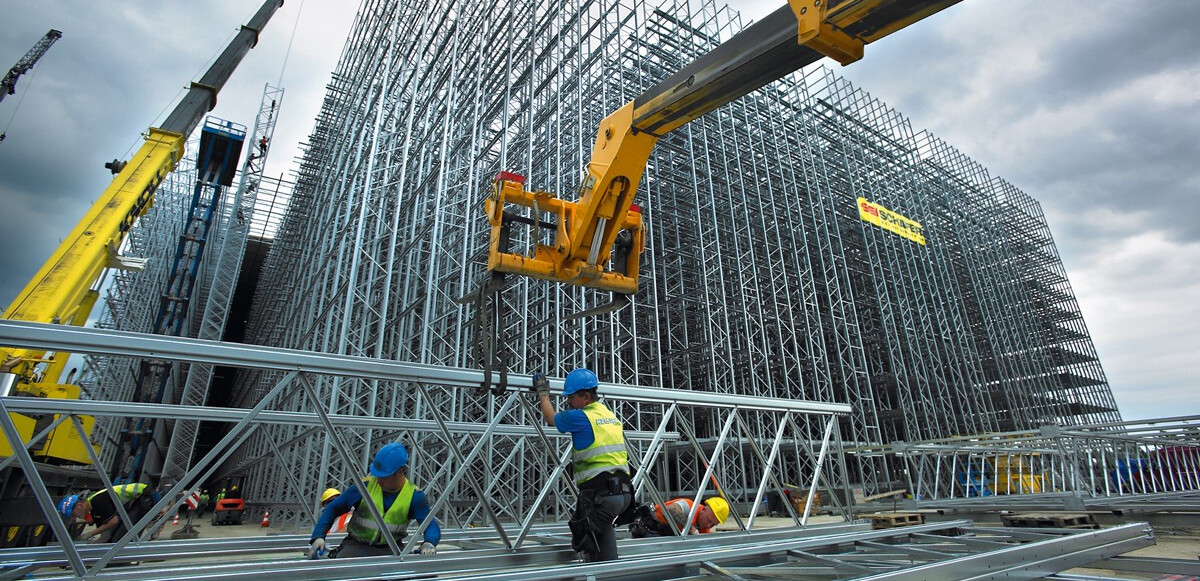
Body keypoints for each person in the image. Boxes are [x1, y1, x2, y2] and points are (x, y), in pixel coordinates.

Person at [534, 368, 633, 562]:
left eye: (571, 397)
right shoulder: (609, 415)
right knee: (600, 539)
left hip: (601, 496)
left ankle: (604, 573)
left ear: (586, 396)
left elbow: (550, 417)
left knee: (594, 549)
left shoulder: (581, 417)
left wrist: (543, 393)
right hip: (623, 493)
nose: (568, 401)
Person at [309, 443, 440, 558]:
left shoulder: (414, 496)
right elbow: (334, 508)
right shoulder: (365, 486)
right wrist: (318, 537)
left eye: (384, 476)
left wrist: (429, 542)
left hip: (391, 548)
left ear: (401, 471)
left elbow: (429, 523)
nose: (378, 480)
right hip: (356, 546)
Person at [58, 483, 163, 543]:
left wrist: (89, 534)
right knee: (115, 537)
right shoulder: (93, 508)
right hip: (137, 499)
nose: (75, 517)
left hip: (146, 495)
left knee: (122, 537)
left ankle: (123, 562)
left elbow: (113, 522)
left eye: (73, 514)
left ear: (79, 505)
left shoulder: (98, 501)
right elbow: (105, 531)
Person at [628, 496, 729, 538]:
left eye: (713, 524)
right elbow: (671, 510)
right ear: (703, 510)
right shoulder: (689, 506)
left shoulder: (704, 529)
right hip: (649, 529)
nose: (708, 525)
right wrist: (691, 529)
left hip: (663, 537)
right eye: (709, 520)